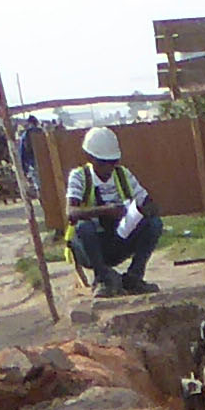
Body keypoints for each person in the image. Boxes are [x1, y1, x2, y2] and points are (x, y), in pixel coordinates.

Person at [66, 126, 159, 296]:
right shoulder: (79, 176)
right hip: (90, 247)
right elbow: (71, 212)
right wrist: (104, 211)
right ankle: (103, 279)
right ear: (90, 158)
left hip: (118, 239)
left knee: (154, 224)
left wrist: (139, 211)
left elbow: (149, 203)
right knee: (84, 228)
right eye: (103, 163)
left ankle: (133, 279)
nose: (108, 168)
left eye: (113, 162)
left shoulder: (123, 175)